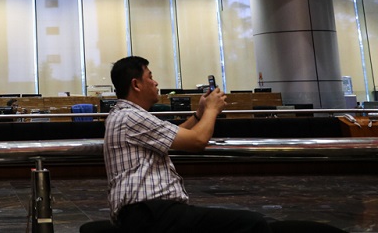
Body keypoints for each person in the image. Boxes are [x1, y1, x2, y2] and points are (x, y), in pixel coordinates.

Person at [105, 56, 271, 232]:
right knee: (253, 224)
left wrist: (200, 113)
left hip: (151, 213)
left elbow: (175, 134)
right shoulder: (130, 116)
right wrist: (212, 109)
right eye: (150, 77)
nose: (155, 82)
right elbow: (197, 140)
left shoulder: (126, 115)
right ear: (136, 84)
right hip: (151, 213)